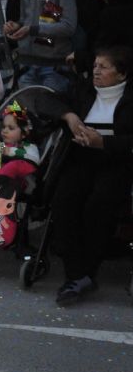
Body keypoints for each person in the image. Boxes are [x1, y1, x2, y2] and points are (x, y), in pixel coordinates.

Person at [42, 46, 133, 305]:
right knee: (64, 201)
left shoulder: (129, 99)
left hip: (115, 161)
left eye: (104, 67)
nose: (96, 71)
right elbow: (45, 100)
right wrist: (69, 116)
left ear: (121, 73)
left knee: (98, 204)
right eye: (95, 65)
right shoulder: (83, 90)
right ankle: (77, 275)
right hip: (81, 156)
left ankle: (83, 273)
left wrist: (103, 142)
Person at [0, 100, 40, 166]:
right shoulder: (0, 144)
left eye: (11, 128)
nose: (4, 131)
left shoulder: (29, 146)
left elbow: (34, 160)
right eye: (3, 127)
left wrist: (9, 150)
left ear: (24, 133)